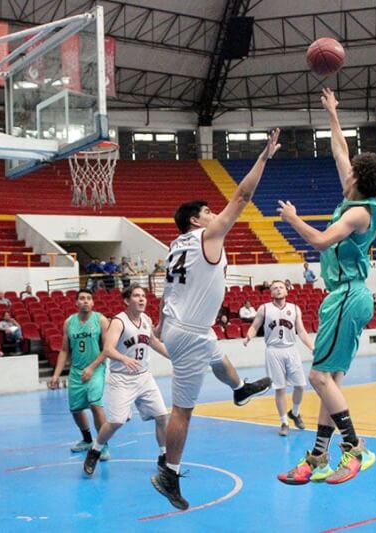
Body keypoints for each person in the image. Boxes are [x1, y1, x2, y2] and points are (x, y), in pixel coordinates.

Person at [151, 130, 280, 510]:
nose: (214, 214)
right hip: (188, 333)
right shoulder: (205, 237)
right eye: (207, 211)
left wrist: (160, 327)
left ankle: (239, 388)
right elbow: (242, 196)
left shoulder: (175, 246)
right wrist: (264, 156)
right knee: (183, 411)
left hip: (181, 326)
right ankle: (168, 472)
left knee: (215, 350)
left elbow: (166, 293)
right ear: (196, 220)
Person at [276, 87, 376, 485]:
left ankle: (355, 449)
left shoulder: (359, 212)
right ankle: (318, 458)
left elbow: (323, 241)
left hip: (346, 296)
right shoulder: (357, 196)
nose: (346, 173)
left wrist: (292, 219)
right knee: (331, 382)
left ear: (359, 180)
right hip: (348, 297)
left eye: (352, 173)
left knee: (318, 379)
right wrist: (332, 113)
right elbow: (341, 148)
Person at [83, 284, 170, 476]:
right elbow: (108, 349)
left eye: (144, 296)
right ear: (126, 301)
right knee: (116, 421)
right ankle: (95, 449)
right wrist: (123, 358)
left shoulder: (146, 320)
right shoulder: (119, 321)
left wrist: (173, 357)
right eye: (137, 296)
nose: (142, 299)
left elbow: (154, 342)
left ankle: (163, 456)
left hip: (144, 377)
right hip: (122, 378)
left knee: (162, 416)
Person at [243, 280, 313, 436]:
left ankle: (294, 413)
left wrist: (311, 347)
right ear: (271, 292)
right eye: (275, 288)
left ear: (286, 291)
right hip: (273, 351)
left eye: (281, 287)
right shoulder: (264, 309)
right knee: (280, 389)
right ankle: (284, 422)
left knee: (300, 385)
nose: (278, 290)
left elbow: (301, 331)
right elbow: (255, 326)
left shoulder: (295, 308)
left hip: (291, 350)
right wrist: (248, 336)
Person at [50, 289, 111, 459]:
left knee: (95, 404)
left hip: (96, 368)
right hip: (76, 370)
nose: (85, 301)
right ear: (76, 303)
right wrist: (56, 375)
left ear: (93, 303)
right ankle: (87, 440)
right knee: (76, 409)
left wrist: (92, 367)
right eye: (82, 298)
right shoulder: (69, 322)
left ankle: (103, 444)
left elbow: (106, 349)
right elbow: (64, 350)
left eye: (88, 298)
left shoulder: (101, 320)